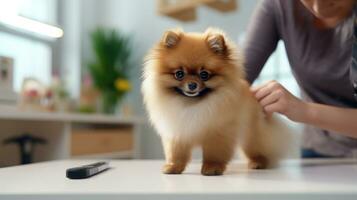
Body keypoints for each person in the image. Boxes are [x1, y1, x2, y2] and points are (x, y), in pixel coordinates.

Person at [244, 0, 357, 158]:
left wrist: (304, 110)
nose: (318, 7)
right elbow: (236, 79)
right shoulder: (279, 5)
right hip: (318, 149)